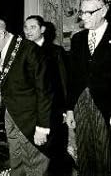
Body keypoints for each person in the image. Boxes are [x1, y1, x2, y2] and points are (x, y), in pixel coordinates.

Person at [0, 17, 55, 176]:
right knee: (17, 165)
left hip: (31, 121)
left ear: (0, 34)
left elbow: (44, 91)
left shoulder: (30, 50)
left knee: (34, 167)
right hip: (11, 117)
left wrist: (42, 127)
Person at [65, 0, 111, 176]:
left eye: (88, 12)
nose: (83, 17)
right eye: (81, 12)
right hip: (81, 105)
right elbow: (73, 77)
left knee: (106, 159)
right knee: (84, 156)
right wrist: (70, 108)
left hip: (108, 109)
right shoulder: (77, 40)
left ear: (104, 11)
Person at [24, 15, 73, 175]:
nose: (28, 31)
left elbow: (64, 81)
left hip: (54, 110)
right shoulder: (22, 52)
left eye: (33, 27)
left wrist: (67, 109)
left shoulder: (55, 51)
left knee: (55, 153)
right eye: (26, 28)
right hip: (31, 111)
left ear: (42, 29)